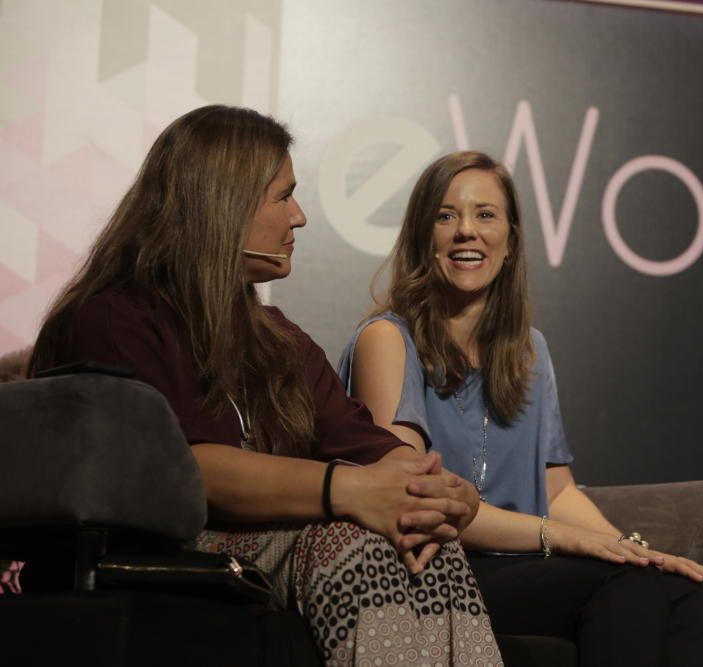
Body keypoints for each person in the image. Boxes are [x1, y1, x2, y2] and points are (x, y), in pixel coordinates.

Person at [28, 106, 502, 667]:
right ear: (221, 207)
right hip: (169, 550)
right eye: (284, 197)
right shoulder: (113, 320)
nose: (298, 217)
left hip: (265, 542)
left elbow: (362, 441)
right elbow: (184, 471)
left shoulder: (279, 338)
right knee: (356, 548)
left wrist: (441, 492)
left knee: (435, 549)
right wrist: (346, 492)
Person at [338, 150, 703, 666]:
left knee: (690, 592)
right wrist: (562, 538)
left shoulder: (528, 349)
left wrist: (629, 548)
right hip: (437, 571)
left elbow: (558, 490)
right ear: (421, 236)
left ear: (511, 239)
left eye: (485, 215)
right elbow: (416, 502)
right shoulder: (388, 340)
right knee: (628, 589)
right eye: (445, 215)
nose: (466, 232)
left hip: (523, 566)